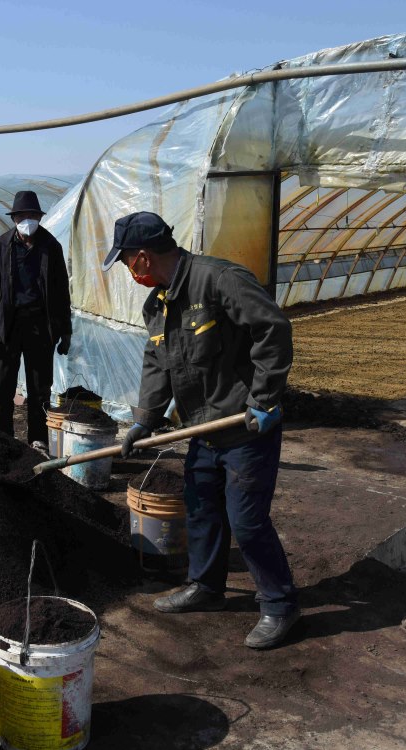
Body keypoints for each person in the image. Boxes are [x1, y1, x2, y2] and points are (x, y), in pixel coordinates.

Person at [102, 211, 298, 649]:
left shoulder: (219, 280)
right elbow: (157, 365)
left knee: (247, 522)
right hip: (203, 429)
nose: (128, 270)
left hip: (245, 428)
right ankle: (206, 588)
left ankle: (280, 604)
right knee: (202, 510)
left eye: (126, 261)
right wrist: (144, 419)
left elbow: (272, 329)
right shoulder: (158, 304)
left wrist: (264, 398)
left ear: (142, 257)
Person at [0, 190, 72, 451]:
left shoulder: (51, 247)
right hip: (7, 327)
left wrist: (65, 330)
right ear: (14, 219)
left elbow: (61, 291)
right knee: (1, 387)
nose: (27, 220)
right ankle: (1, 439)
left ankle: (38, 438)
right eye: (22, 216)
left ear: (39, 218)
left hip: (40, 326)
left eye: (32, 215)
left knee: (40, 388)